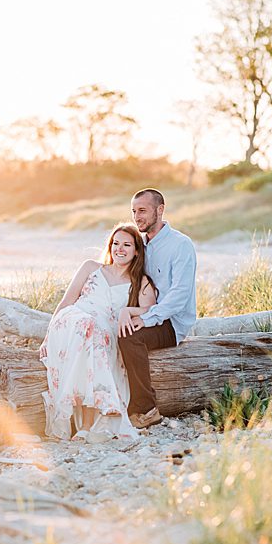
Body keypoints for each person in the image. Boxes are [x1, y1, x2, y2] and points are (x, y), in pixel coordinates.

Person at [40, 224, 157, 441]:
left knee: (95, 338)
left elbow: (150, 310)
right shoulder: (91, 267)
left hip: (103, 331)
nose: (119, 249)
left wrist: (127, 310)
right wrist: (48, 336)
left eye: (127, 245)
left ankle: (86, 426)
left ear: (137, 251)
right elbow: (67, 301)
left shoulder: (140, 282)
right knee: (88, 327)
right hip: (74, 321)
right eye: (116, 243)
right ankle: (95, 413)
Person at [118, 188, 197, 428]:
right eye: (133, 211)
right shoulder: (139, 243)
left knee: (130, 338)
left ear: (160, 210)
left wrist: (148, 318)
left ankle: (146, 409)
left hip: (171, 323)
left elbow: (179, 295)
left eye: (142, 210)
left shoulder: (180, 245)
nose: (137, 217)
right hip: (145, 312)